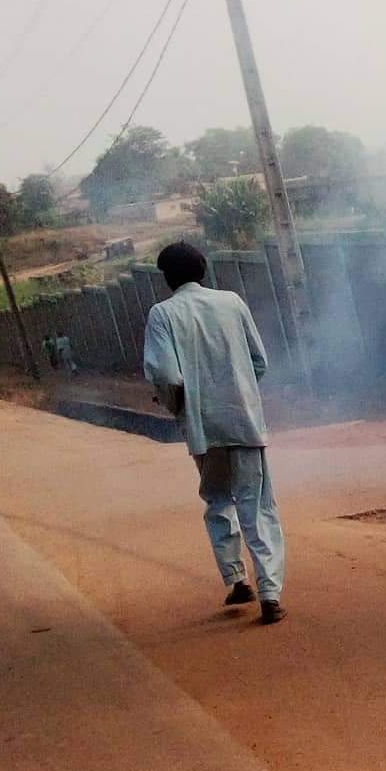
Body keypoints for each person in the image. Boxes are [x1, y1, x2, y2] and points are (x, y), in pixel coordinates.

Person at [142, 241, 286, 623]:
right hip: (243, 420)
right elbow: (260, 361)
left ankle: (237, 579)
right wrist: (242, 392)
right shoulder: (232, 302)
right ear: (203, 269)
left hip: (203, 427)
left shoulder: (162, 314)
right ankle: (270, 592)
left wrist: (178, 407)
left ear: (167, 278)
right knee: (257, 505)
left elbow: (166, 374)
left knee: (218, 499)